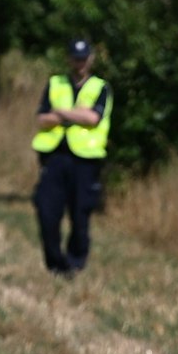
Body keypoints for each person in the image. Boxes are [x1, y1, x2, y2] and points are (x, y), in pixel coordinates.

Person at [32, 39, 111, 277]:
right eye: (76, 58)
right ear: (69, 59)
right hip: (55, 157)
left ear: (91, 59)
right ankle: (55, 261)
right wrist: (76, 115)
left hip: (85, 161)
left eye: (84, 58)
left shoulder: (100, 87)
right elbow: (42, 119)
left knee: (80, 215)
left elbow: (93, 119)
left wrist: (61, 113)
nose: (80, 63)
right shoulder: (55, 83)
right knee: (46, 209)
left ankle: (75, 263)